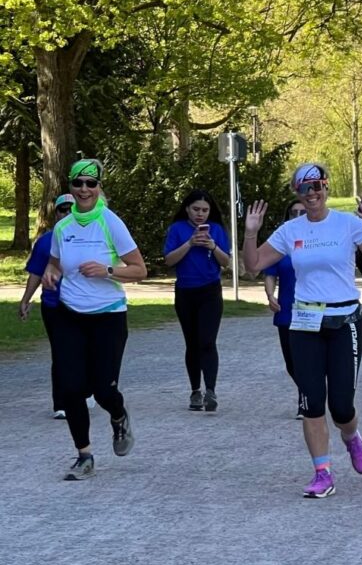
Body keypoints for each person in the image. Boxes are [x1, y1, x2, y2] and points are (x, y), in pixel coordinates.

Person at [243, 162, 362, 498]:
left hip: (344, 322)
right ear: (296, 192)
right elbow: (252, 266)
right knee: (312, 403)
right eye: (305, 188)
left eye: (318, 186)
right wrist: (251, 231)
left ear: (326, 188)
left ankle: (351, 437)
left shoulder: (347, 224)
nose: (312, 193)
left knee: (341, 406)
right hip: (305, 323)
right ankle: (322, 473)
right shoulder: (289, 230)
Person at [41, 159, 147, 480]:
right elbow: (57, 263)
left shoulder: (110, 223)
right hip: (69, 316)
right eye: (78, 183)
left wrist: (108, 270)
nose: (84, 189)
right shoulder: (62, 227)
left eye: (91, 183)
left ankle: (118, 415)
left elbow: (140, 269)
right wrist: (50, 271)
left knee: (102, 390)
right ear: (70, 188)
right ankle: (84, 455)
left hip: (108, 317)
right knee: (71, 388)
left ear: (99, 187)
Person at [19, 193, 97, 418]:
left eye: (71, 209)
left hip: (85, 304)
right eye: (62, 210)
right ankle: (61, 403)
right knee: (62, 353)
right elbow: (35, 272)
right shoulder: (46, 241)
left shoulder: (92, 237)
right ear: (56, 214)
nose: (67, 213)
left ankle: (86, 389)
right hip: (54, 305)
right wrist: (26, 300)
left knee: (87, 350)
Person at [163, 189, 231, 412]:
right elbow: (169, 260)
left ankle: (210, 390)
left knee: (207, 341)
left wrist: (212, 246)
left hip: (210, 291)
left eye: (205, 210)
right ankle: (195, 391)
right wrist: (190, 243)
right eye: (196, 209)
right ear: (187, 209)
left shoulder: (217, 230)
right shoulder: (177, 229)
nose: (200, 214)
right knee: (192, 343)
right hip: (185, 292)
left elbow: (226, 261)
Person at [263, 198, 307, 418]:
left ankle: (306, 398)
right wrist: (270, 295)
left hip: (312, 308)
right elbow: (270, 273)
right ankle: (311, 390)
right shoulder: (280, 242)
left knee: (306, 358)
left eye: (303, 212)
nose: (298, 216)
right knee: (291, 362)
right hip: (286, 308)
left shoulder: (317, 240)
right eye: (294, 212)